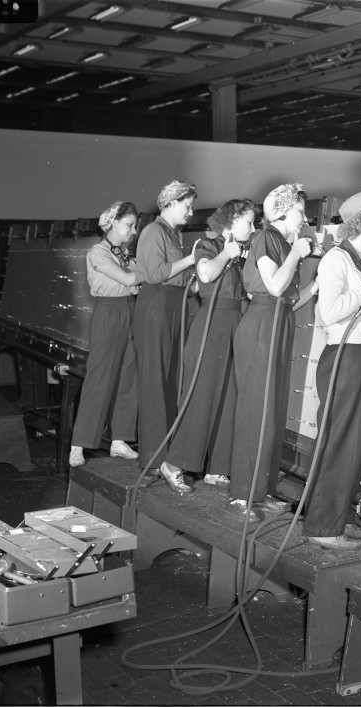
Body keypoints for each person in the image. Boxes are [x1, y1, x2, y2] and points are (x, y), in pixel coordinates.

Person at [304, 191, 361, 551]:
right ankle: (323, 528)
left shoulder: (360, 263)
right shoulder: (337, 259)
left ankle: (330, 523)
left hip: (359, 356)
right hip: (343, 356)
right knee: (343, 443)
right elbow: (330, 312)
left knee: (353, 445)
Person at [226, 184, 312, 521]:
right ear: (283, 211)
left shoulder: (283, 243)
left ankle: (261, 491)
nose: (304, 219)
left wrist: (315, 285)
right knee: (255, 410)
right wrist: (296, 254)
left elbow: (290, 299)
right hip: (262, 324)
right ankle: (241, 495)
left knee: (273, 410)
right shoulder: (264, 238)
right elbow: (274, 286)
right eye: (301, 212)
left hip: (280, 322)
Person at [158, 199, 255, 492]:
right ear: (233, 220)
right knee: (201, 396)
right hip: (211, 323)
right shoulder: (209, 244)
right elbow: (205, 275)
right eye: (249, 222)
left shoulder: (239, 253)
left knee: (229, 398)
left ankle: (217, 469)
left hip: (234, 322)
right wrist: (227, 252)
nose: (252, 228)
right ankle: (172, 464)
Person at [69, 201, 145, 468]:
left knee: (129, 375)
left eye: (135, 226)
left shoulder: (124, 253)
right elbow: (127, 280)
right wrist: (148, 270)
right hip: (109, 312)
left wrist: (138, 269)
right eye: (129, 225)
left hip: (131, 310)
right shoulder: (97, 252)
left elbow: (134, 277)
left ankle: (120, 440)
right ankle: (79, 444)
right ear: (113, 223)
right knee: (100, 376)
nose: (133, 230)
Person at [131, 180, 197, 486]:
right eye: (188, 204)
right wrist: (191, 259)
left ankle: (163, 456)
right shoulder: (152, 232)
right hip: (155, 306)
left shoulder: (173, 234)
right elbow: (157, 274)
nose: (191, 210)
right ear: (170, 203)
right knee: (155, 381)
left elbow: (176, 274)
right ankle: (153, 459)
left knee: (170, 382)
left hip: (172, 305)